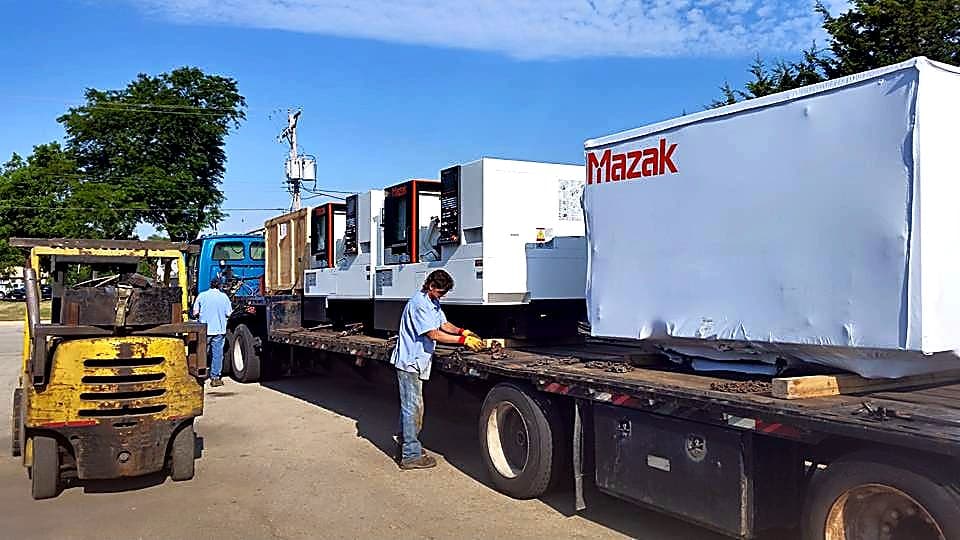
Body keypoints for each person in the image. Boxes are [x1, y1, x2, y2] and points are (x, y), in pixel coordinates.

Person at [390, 269, 484, 470]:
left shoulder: (432, 302)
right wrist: (463, 341)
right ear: (431, 286)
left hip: (417, 361)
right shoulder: (419, 304)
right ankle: (411, 455)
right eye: (441, 292)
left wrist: (463, 331)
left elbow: (444, 324)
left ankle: (405, 444)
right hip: (410, 362)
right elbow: (434, 334)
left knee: (410, 406)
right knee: (413, 408)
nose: (442, 296)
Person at [193, 277, 233, 387]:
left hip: (204, 330)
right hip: (219, 330)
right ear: (220, 285)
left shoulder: (202, 295)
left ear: (211, 284)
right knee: (217, 355)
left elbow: (195, 312)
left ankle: (198, 375)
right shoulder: (224, 297)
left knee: (202, 353)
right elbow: (229, 313)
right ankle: (215, 378)